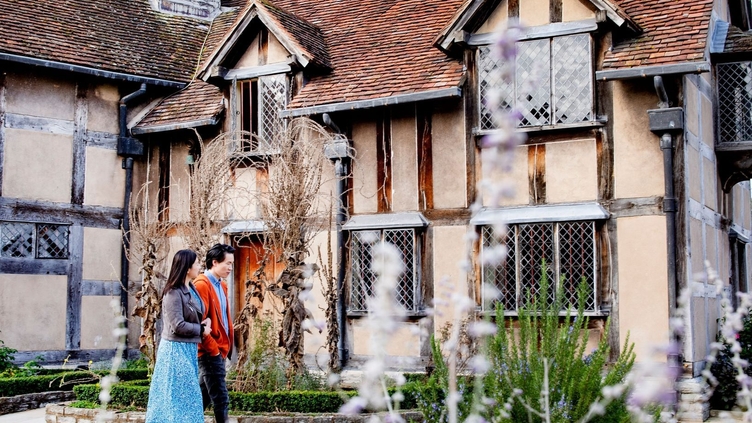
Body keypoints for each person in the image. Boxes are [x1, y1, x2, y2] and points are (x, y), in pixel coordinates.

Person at [145, 249, 211, 423]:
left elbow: (195, 314)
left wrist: (204, 324)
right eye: (197, 263)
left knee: (187, 398)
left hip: (188, 348)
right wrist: (201, 330)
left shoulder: (192, 288)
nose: (199, 266)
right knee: (178, 398)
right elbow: (177, 325)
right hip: (175, 351)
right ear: (187, 267)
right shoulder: (173, 292)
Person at [195, 243, 235, 423]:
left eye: (232, 264)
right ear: (214, 262)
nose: (230, 267)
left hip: (219, 350)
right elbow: (200, 324)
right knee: (221, 399)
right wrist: (214, 350)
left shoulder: (222, 285)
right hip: (210, 352)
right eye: (227, 263)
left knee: (201, 398)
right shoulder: (202, 284)